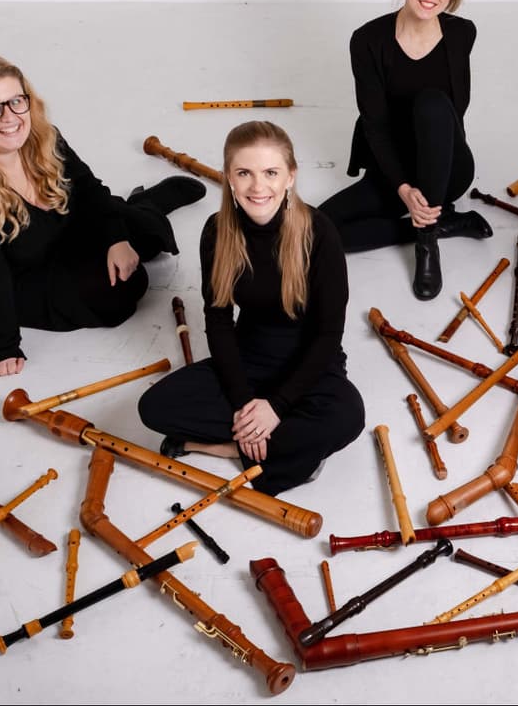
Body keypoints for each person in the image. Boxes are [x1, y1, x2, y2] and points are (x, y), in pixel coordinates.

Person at [0, 53, 207, 376]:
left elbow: (88, 188)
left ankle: (148, 205)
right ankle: (136, 210)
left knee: (141, 234)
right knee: (123, 289)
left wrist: (117, 239)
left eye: (16, 101)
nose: (9, 117)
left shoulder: (43, 137)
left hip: (54, 231)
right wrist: (1, 344)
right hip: (16, 273)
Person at [138, 121, 365, 496]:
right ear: (229, 177)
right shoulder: (217, 230)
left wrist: (275, 406)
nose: (258, 187)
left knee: (348, 416)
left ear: (290, 176)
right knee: (154, 407)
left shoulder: (320, 232)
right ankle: (283, 453)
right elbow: (219, 320)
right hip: (248, 361)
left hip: (310, 365)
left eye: (271, 173)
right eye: (244, 173)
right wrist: (245, 402)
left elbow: (327, 334)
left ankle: (221, 447)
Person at [318, 0, 493, 301]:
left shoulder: (463, 34)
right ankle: (439, 224)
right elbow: (375, 125)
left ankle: (426, 244)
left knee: (431, 105)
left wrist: (425, 188)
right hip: (393, 170)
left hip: (447, 168)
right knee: (321, 230)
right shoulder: (367, 40)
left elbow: (454, 116)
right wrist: (403, 188)